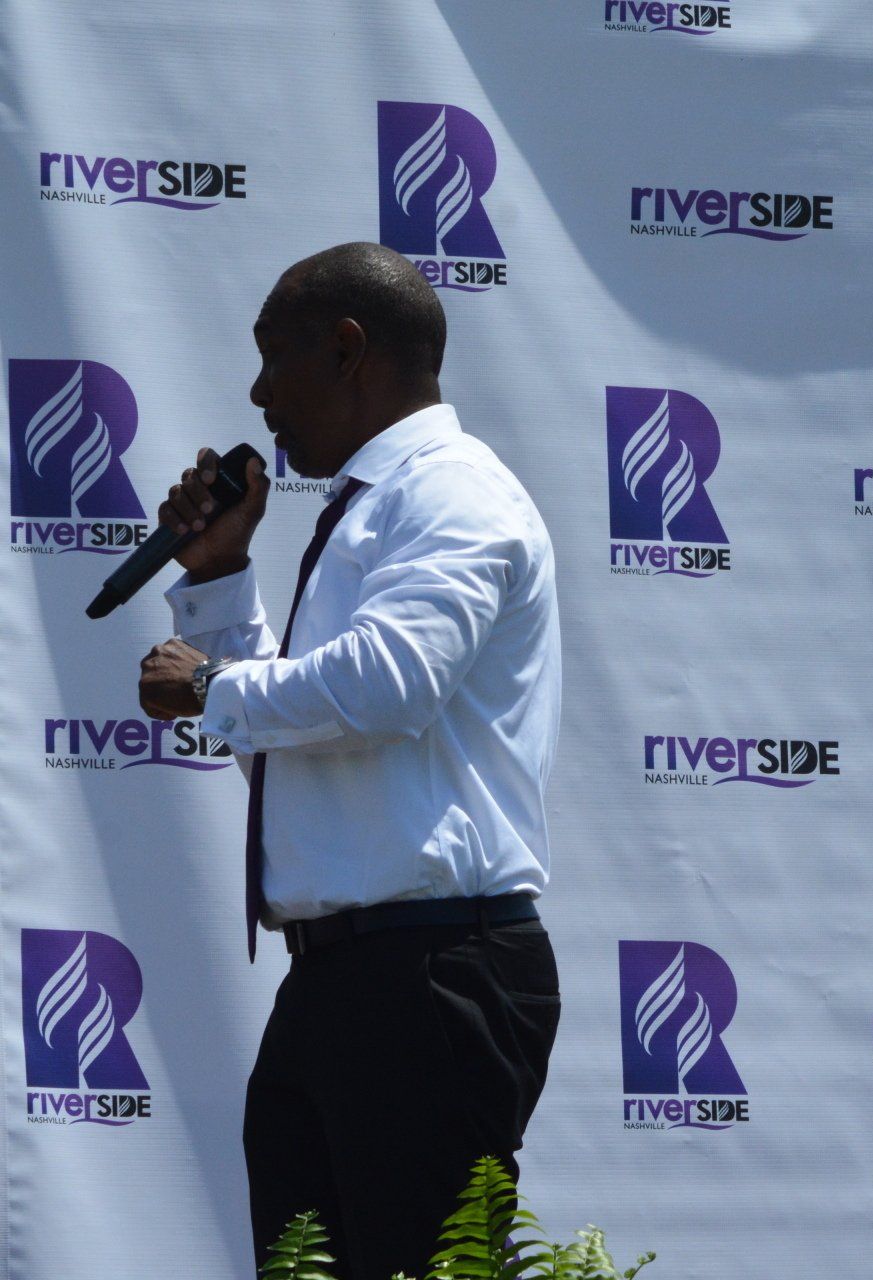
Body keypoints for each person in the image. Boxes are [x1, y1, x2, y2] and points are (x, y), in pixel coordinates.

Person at [134, 242, 563, 1279]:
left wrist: (209, 684)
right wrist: (220, 575)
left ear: (347, 349)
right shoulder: (375, 503)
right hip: (346, 982)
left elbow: (387, 686)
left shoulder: (451, 490)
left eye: (274, 355)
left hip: (429, 976)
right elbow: (304, 749)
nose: (258, 393)